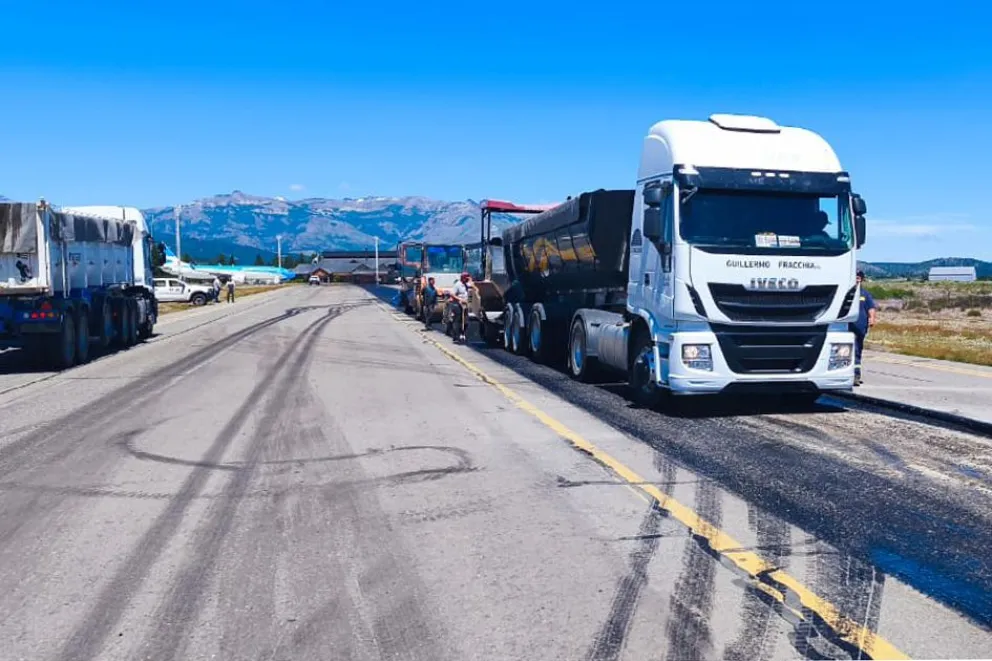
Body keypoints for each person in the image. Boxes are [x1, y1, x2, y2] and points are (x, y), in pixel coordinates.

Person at [850, 270, 877, 385]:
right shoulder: (846, 292)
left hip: (860, 326)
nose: (857, 279)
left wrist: (872, 318)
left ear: (861, 279)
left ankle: (856, 375)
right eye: (855, 277)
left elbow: (871, 308)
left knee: (857, 350)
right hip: (846, 326)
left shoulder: (865, 294)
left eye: (859, 277)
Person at [450, 271, 472, 342]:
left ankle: (462, 333)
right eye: (466, 278)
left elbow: (473, 286)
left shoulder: (466, 284)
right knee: (457, 321)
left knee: (466, 321)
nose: (467, 279)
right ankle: (456, 337)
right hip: (457, 305)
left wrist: (470, 280)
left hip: (465, 305)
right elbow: (452, 294)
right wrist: (460, 299)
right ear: (463, 278)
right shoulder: (457, 285)